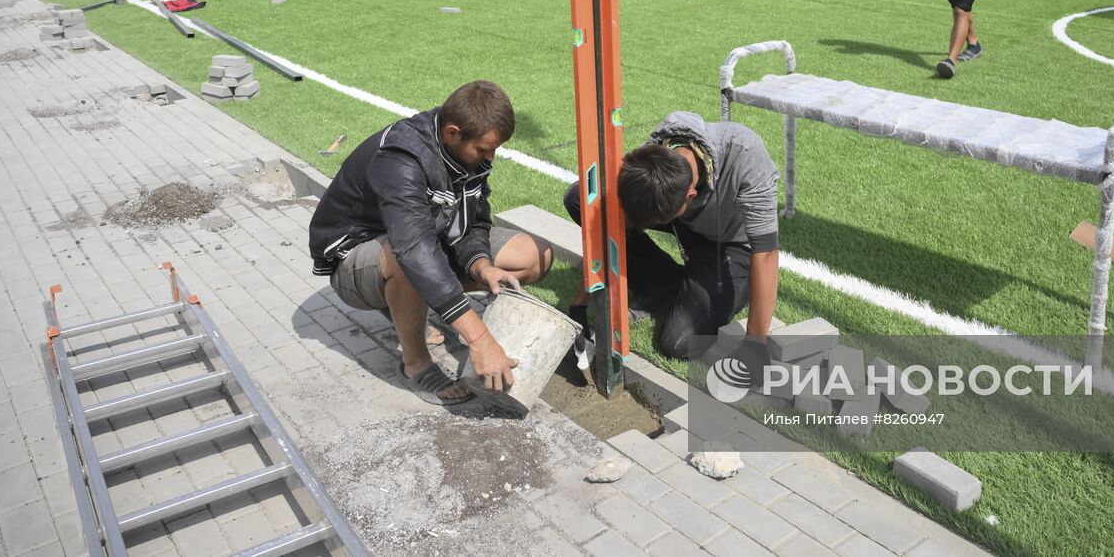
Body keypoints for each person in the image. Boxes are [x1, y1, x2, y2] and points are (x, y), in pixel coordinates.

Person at [308, 81, 553, 405]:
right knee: (404, 259)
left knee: (534, 256)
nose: (491, 157)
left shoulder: (468, 155)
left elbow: (474, 221)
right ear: (453, 132)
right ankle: (415, 363)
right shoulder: (400, 158)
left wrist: (482, 265)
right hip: (353, 258)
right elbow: (412, 248)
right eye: (484, 149)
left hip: (424, 240)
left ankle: (412, 307)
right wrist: (478, 337)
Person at [563, 112, 780, 363]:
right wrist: (579, 304)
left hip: (730, 244)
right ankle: (662, 284)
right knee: (583, 199)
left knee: (679, 342)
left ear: (690, 195)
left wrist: (755, 343)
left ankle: (723, 284)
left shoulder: (745, 154)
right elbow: (609, 223)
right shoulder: (657, 148)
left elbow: (766, 252)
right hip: (682, 222)